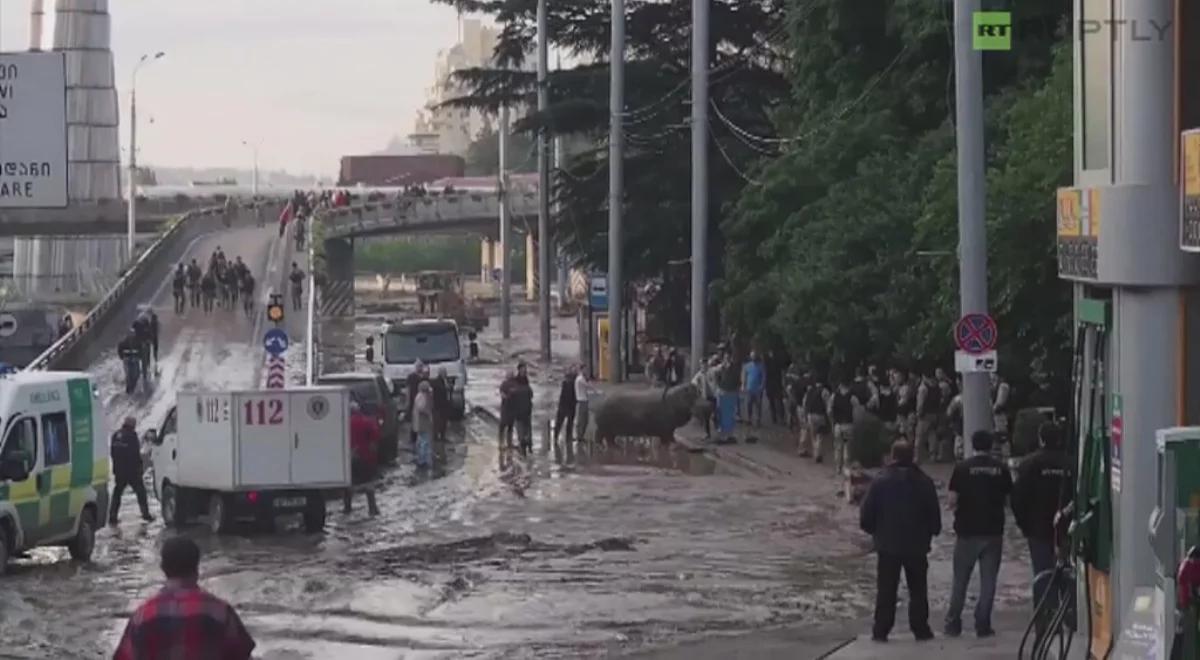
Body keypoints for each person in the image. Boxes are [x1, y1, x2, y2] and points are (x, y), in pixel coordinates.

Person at [113, 537, 255, 660]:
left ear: (163, 568)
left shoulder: (143, 616)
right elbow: (243, 655)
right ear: (197, 567)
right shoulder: (220, 612)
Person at [859, 441, 940, 643]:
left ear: (892, 457)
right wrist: (930, 533)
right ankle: (921, 629)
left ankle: (881, 630)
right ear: (912, 457)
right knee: (919, 589)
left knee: (886, 590)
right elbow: (935, 518)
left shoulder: (880, 481)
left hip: (887, 546)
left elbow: (866, 517)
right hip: (917, 546)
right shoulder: (925, 481)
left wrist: (876, 534)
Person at [944, 430, 1012, 638]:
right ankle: (983, 624)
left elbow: (952, 500)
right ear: (991, 445)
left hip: (966, 532)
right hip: (993, 532)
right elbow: (1009, 501)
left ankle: (953, 624)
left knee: (960, 581)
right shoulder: (1001, 469)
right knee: (989, 582)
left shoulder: (962, 468)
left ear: (972, 445)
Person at [1012, 422, 1074, 618]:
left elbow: (1017, 498)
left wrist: (1023, 524)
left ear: (1040, 439)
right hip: (1066, 527)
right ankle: (1068, 612)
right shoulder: (1071, 463)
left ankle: (1046, 615)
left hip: (1037, 528)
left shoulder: (1029, 464)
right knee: (1066, 569)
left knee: (1042, 572)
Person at [109, 417, 153, 524]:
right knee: (141, 492)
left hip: (119, 470)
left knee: (117, 493)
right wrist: (140, 467)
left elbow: (112, 453)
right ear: (132, 425)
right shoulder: (132, 436)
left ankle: (112, 516)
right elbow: (135, 454)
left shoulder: (116, 435)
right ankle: (145, 514)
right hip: (132, 471)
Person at [343, 401, 380, 517]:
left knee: (348, 484)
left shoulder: (344, 423)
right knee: (369, 484)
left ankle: (347, 509)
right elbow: (375, 438)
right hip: (365, 457)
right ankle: (372, 509)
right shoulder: (367, 422)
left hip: (349, 457)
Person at [828, 377, 855, 472]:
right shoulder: (852, 397)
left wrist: (832, 421)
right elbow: (857, 411)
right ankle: (846, 467)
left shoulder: (834, 396)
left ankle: (838, 467)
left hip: (838, 425)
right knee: (847, 446)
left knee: (838, 447)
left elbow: (829, 410)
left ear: (840, 385)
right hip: (848, 424)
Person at [800, 373, 829, 461]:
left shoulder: (810, 390)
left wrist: (805, 414)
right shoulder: (824, 391)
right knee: (819, 436)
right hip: (820, 415)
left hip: (810, 415)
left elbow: (804, 403)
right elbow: (828, 404)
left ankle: (815, 453)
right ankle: (817, 454)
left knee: (813, 436)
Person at [915, 371, 943, 463]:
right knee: (932, 435)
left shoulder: (923, 388)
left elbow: (920, 403)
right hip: (935, 414)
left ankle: (917, 457)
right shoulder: (937, 387)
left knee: (920, 436)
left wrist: (918, 413)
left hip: (925, 415)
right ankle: (933, 455)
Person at [512, 362, 534, 452]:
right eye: (523, 369)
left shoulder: (526, 380)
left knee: (528, 430)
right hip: (518, 411)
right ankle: (522, 446)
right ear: (519, 370)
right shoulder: (516, 381)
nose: (524, 371)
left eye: (525, 369)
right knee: (521, 432)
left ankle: (529, 446)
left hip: (527, 410)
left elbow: (530, 394)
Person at [413, 380, 434, 468]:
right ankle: (422, 460)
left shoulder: (421, 396)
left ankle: (423, 459)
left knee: (423, 440)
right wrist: (428, 413)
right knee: (424, 441)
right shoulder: (421, 396)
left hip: (422, 422)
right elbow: (421, 408)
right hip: (422, 422)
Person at [555, 365, 578, 443]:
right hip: (566, 405)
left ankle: (565, 437)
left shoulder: (573, 381)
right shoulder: (568, 382)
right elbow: (565, 394)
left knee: (567, 422)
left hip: (569, 405)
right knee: (562, 422)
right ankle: (559, 436)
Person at [741, 351, 766, 426]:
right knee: (749, 404)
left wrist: (762, 385)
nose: (753, 358)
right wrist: (743, 385)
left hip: (758, 389)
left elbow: (764, 376)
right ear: (750, 357)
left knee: (758, 405)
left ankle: (758, 419)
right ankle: (749, 419)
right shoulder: (747, 366)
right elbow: (744, 376)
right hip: (749, 388)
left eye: (754, 356)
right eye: (752, 356)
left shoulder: (761, 366)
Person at [117, 326, 143, 394]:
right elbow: (120, 349)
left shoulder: (137, 342)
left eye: (133, 334)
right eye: (131, 334)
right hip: (127, 360)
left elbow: (141, 350)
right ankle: (129, 389)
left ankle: (133, 386)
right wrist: (122, 357)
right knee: (128, 374)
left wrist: (139, 357)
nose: (132, 335)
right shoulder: (123, 343)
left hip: (135, 360)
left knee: (136, 374)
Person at [765, 350, 786, 426]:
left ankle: (781, 418)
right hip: (770, 384)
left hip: (777, 383)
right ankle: (774, 418)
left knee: (779, 401)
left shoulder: (777, 361)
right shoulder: (766, 362)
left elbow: (782, 373)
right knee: (772, 402)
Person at [431, 367, 451, 443]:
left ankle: (443, 436)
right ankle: (436, 437)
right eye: (444, 372)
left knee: (444, 422)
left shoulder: (445, 380)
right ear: (440, 373)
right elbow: (438, 390)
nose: (446, 374)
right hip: (438, 404)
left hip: (445, 405)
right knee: (437, 421)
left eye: (446, 372)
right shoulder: (436, 381)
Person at [574, 365, 592, 441]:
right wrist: (588, 380)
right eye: (585, 369)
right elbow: (589, 386)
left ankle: (581, 435)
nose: (586, 371)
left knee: (585, 420)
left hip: (584, 400)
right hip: (581, 401)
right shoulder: (580, 379)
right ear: (582, 370)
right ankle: (579, 436)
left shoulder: (581, 379)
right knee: (582, 420)